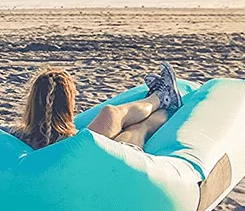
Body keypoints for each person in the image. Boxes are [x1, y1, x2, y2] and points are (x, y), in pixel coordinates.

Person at [11, 62, 183, 151]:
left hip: (79, 161)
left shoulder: (15, 135)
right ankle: (160, 100)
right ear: (68, 104)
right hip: (111, 162)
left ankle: (161, 99)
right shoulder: (75, 142)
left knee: (117, 119)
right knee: (130, 125)